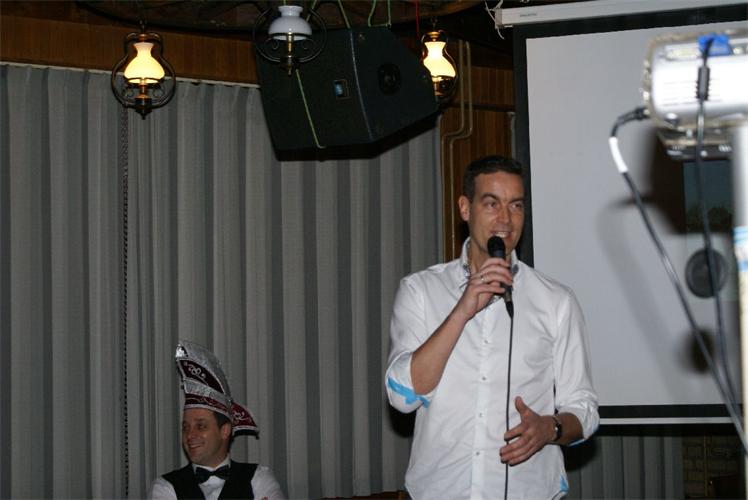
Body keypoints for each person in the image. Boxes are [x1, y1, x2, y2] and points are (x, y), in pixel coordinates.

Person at [385, 155, 599, 499]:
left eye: (516, 205)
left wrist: (550, 428)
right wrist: (462, 310)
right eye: (491, 203)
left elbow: (584, 408)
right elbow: (401, 397)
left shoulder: (556, 301)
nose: (506, 219)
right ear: (465, 208)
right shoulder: (420, 291)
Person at [149, 340, 285, 500]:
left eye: (201, 426)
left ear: (225, 430)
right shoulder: (164, 486)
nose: (190, 435)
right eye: (185, 427)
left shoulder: (259, 478)